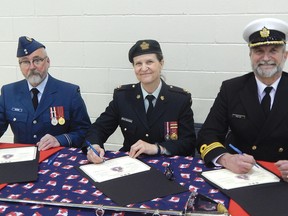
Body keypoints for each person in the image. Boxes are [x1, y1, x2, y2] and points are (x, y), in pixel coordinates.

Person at [197, 18, 288, 180]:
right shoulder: (231, 89)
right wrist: (226, 159)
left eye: (273, 50)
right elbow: (207, 134)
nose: (266, 58)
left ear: (285, 55)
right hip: (242, 175)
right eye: (259, 51)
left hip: (283, 176)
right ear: (250, 55)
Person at [84, 39, 196, 164]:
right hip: (131, 164)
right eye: (138, 63)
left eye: (149, 62)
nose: (144, 68)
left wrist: (157, 148)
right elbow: (98, 128)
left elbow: (188, 143)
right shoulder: (123, 97)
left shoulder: (179, 99)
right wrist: (94, 146)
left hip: (167, 166)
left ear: (161, 63)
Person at [0, 36, 91, 150]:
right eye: (26, 62)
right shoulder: (9, 92)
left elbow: (85, 131)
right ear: (20, 65)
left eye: (37, 60)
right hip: (23, 161)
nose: (32, 66)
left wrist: (60, 139)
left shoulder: (69, 93)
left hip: (57, 160)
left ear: (48, 62)